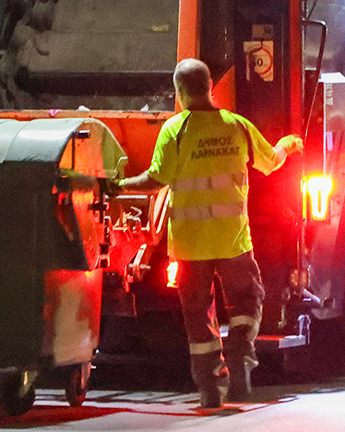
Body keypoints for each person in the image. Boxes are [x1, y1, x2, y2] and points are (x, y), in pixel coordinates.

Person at [119, 58, 302, 409]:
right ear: (210, 89)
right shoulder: (237, 126)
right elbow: (271, 163)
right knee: (247, 302)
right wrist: (288, 145)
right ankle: (239, 361)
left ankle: (209, 391)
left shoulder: (175, 130)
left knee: (198, 317)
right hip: (233, 241)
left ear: (180, 92)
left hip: (189, 245)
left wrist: (117, 185)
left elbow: (154, 179)